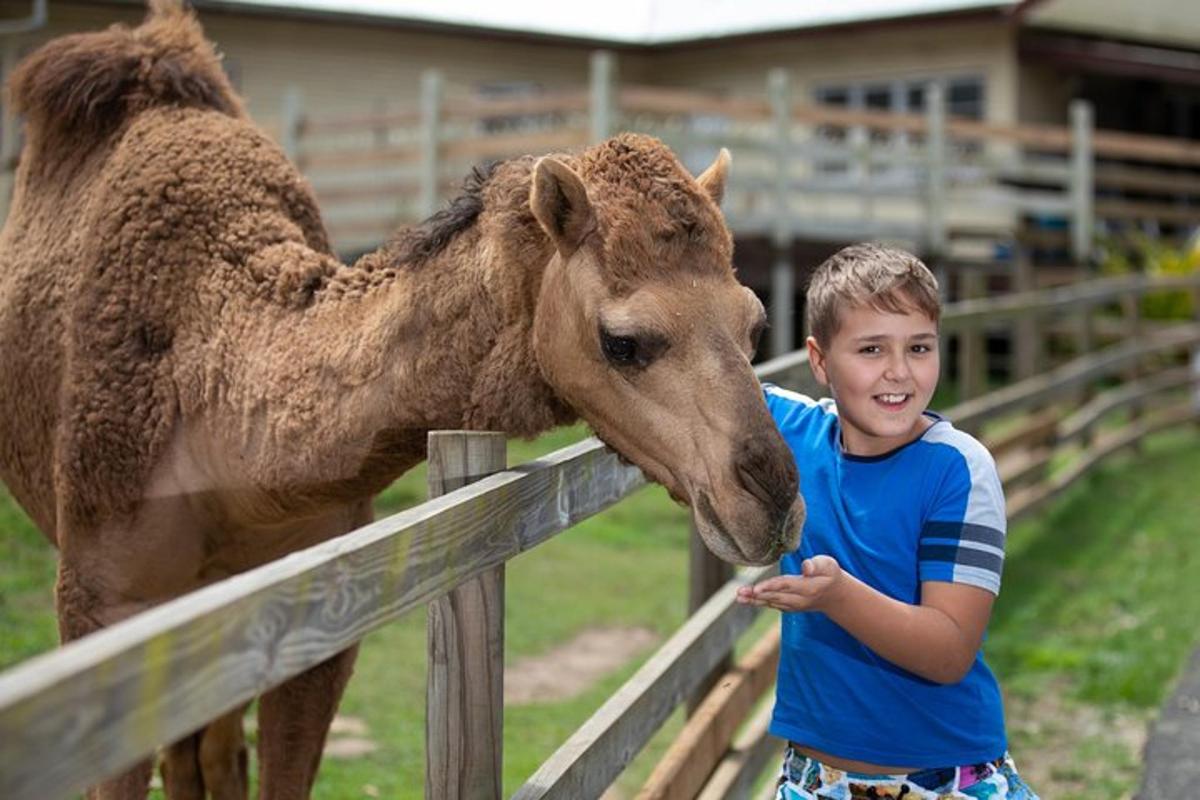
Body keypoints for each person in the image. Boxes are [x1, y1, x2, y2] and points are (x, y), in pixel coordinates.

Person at [736, 244, 1038, 799]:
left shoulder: (957, 469)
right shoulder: (790, 432)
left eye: (918, 347)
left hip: (941, 779)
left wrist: (838, 596)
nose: (899, 372)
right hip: (813, 780)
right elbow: (689, 383)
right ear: (820, 361)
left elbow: (949, 652)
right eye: (871, 349)